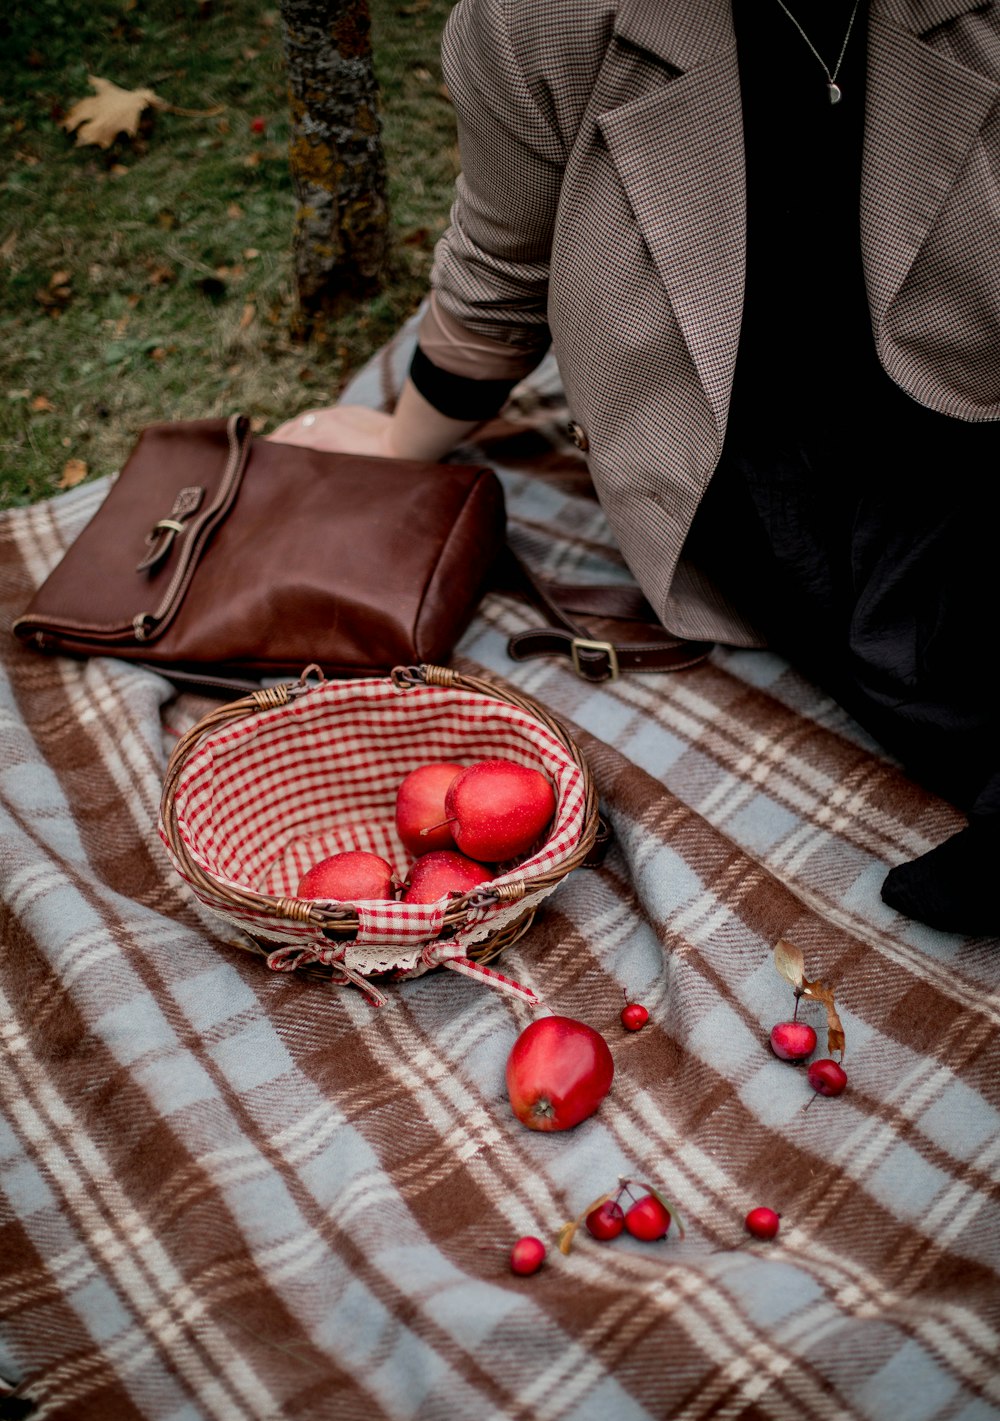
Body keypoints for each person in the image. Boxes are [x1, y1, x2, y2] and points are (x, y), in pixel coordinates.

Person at [269, 0, 1000, 937]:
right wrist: (400, 441)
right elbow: (501, 268)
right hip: (741, 435)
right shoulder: (541, 20)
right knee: (918, 640)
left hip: (965, 393)